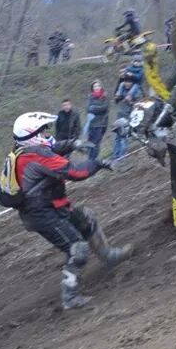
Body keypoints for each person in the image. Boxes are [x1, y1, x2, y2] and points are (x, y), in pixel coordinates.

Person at [11, 112, 133, 309]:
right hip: (41, 213)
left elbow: (52, 147)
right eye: (42, 132)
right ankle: (70, 297)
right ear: (31, 135)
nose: (47, 134)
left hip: (50, 206)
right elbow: (76, 172)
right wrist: (99, 163)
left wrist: (73, 143)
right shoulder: (35, 156)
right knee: (77, 248)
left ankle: (108, 256)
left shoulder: (22, 151)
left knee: (85, 217)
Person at [112, 80, 143, 160]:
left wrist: (130, 102)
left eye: (129, 81)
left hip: (128, 116)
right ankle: (115, 156)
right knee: (117, 137)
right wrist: (118, 97)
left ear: (132, 82)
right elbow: (116, 100)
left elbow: (139, 104)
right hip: (120, 115)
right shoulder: (121, 88)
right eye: (125, 81)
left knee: (124, 137)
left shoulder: (137, 90)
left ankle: (122, 156)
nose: (127, 83)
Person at [84, 80, 109, 160]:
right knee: (90, 142)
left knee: (96, 143)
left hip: (101, 124)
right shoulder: (90, 97)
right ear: (92, 88)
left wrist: (94, 108)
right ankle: (89, 159)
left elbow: (104, 108)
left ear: (101, 87)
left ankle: (93, 160)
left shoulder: (104, 96)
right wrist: (97, 109)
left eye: (98, 86)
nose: (97, 87)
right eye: (95, 86)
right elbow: (88, 109)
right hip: (91, 124)